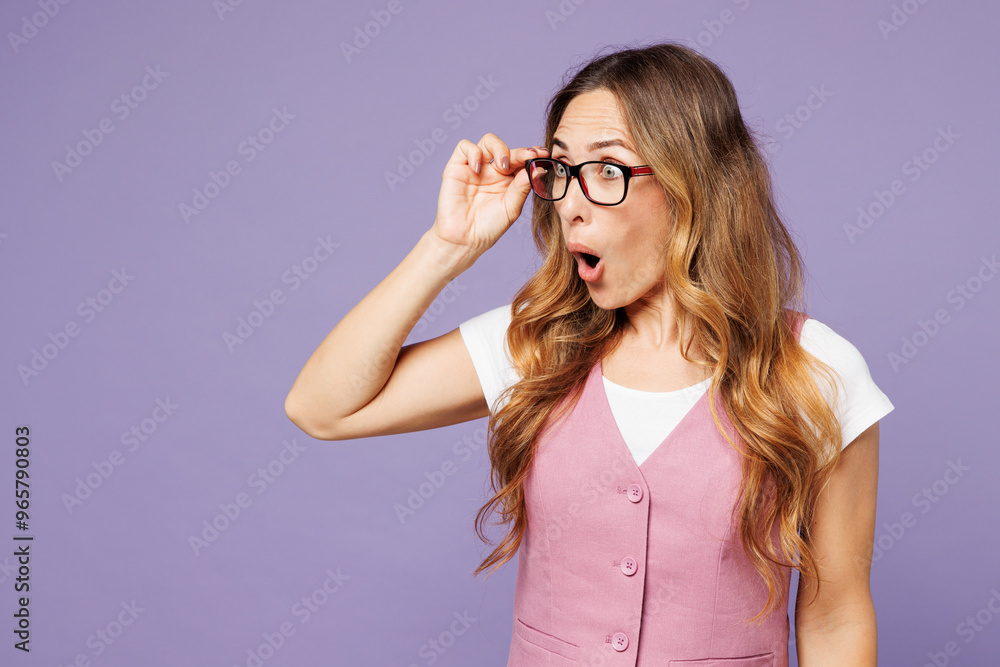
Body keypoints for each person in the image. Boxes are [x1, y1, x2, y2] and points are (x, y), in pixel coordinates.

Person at [284, 41, 893, 666]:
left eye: (608, 170)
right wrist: (448, 246)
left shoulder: (817, 370)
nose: (572, 203)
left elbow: (836, 614)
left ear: (696, 187)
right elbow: (322, 407)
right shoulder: (536, 344)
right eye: (562, 171)